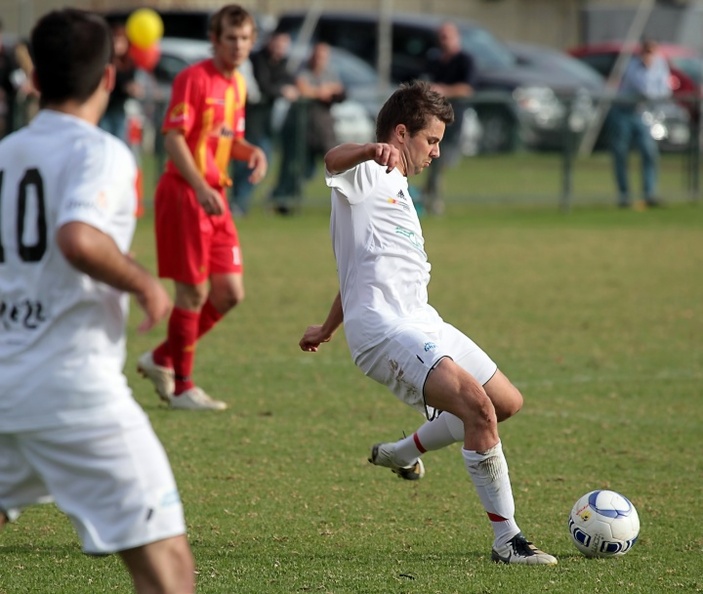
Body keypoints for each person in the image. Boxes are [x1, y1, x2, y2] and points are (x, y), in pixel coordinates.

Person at [299, 81, 557, 566]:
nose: (437, 152)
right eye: (431, 140)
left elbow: (362, 269)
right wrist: (368, 150)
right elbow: (331, 159)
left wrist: (327, 326)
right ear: (401, 133)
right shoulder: (370, 170)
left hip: (422, 320)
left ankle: (400, 451)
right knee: (476, 409)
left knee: (505, 403)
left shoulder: (396, 187)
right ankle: (509, 542)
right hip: (385, 332)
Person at [0, 8, 195, 593]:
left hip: (5, 382)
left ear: (33, 80)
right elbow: (78, 237)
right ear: (109, 78)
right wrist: (144, 281)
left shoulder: (6, 153)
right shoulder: (102, 152)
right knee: (170, 572)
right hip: (73, 390)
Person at [137, 4, 267, 410]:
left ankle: (162, 358)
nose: (239, 46)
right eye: (231, 38)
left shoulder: (238, 85)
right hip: (187, 194)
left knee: (229, 292)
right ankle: (182, 388)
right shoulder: (193, 79)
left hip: (216, 196)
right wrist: (198, 184)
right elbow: (174, 138)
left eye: (245, 38)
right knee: (192, 293)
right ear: (214, 40)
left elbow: (227, 140)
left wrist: (252, 154)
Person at [270, 42, 345, 215]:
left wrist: (321, 90)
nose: (319, 60)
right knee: (294, 168)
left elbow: (339, 89)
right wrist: (320, 92)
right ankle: (282, 200)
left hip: (322, 129)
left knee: (322, 166)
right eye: (317, 56)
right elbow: (301, 88)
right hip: (300, 129)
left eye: (323, 57)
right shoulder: (303, 69)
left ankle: (345, 202)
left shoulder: (330, 72)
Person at [230, 31, 299, 216]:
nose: (280, 48)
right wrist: (281, 90)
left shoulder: (282, 63)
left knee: (260, 162)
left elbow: (289, 80)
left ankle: (239, 203)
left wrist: (282, 88)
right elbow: (263, 85)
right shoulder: (257, 59)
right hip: (250, 122)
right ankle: (236, 203)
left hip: (266, 125)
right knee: (242, 165)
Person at [608, 39, 671, 209]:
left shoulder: (660, 65)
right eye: (646, 52)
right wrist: (653, 79)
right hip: (623, 112)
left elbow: (665, 89)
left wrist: (658, 90)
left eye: (652, 52)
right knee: (621, 154)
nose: (649, 56)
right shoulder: (632, 66)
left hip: (642, 114)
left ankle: (649, 194)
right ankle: (624, 196)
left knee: (649, 152)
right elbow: (645, 89)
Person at [422, 21, 476, 215]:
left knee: (443, 160)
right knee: (433, 159)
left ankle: (431, 196)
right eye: (441, 36)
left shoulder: (465, 60)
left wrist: (444, 90)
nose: (443, 41)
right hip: (433, 118)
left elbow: (467, 88)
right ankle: (431, 199)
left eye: (447, 36)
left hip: (454, 119)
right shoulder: (435, 60)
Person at [98, 22, 143, 142]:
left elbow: (129, 82)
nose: (118, 44)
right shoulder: (105, 61)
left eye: (121, 40)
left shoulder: (129, 63)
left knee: (119, 141)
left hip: (119, 109)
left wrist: (132, 89)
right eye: (115, 40)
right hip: (105, 109)